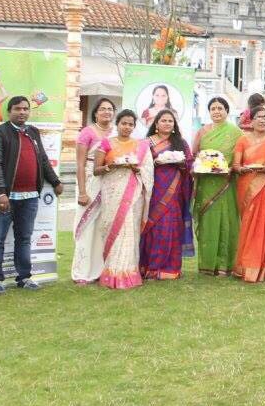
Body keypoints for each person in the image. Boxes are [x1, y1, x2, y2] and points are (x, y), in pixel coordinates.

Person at [0, 95, 62, 293]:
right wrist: (1, 193)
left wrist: (55, 181)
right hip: (6, 198)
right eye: (18, 109)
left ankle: (25, 277)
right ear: (9, 112)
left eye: (25, 109)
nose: (22, 112)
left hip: (30, 198)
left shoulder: (33, 132)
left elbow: (43, 160)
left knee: (24, 238)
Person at [94, 110, 152, 289]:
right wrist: (110, 166)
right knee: (113, 228)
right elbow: (96, 170)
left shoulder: (141, 145)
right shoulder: (105, 143)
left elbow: (148, 170)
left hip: (133, 193)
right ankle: (111, 271)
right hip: (112, 192)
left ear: (134, 126)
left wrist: (137, 169)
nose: (127, 127)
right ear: (117, 124)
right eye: (123, 123)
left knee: (129, 230)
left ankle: (127, 272)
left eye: (130, 124)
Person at [139, 110, 194, 280]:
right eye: (164, 120)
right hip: (153, 191)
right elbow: (140, 163)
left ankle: (169, 268)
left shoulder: (181, 143)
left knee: (171, 226)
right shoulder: (146, 143)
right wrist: (154, 163)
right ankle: (150, 266)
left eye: (171, 121)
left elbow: (189, 163)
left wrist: (184, 164)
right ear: (156, 124)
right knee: (153, 227)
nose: (168, 123)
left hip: (174, 193)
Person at [192, 97, 242, 277]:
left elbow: (241, 156)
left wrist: (229, 168)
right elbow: (195, 154)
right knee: (209, 222)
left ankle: (225, 264)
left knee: (227, 221)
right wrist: (199, 166)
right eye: (213, 108)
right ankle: (207, 264)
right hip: (206, 182)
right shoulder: (202, 131)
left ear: (227, 111)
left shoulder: (236, 133)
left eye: (220, 108)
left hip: (227, 182)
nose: (216, 112)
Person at [233, 106, 265, 282]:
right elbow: (236, 166)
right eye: (259, 117)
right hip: (248, 186)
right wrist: (245, 169)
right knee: (250, 225)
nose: (262, 120)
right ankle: (249, 266)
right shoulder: (242, 140)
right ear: (251, 121)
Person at [70, 98, 115, 285]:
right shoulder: (87, 132)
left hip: (110, 181)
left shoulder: (116, 133)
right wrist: (82, 191)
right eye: (103, 109)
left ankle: (99, 270)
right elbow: (80, 163)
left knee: (103, 228)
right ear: (95, 113)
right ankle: (81, 272)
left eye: (110, 109)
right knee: (86, 226)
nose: (106, 112)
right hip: (89, 179)